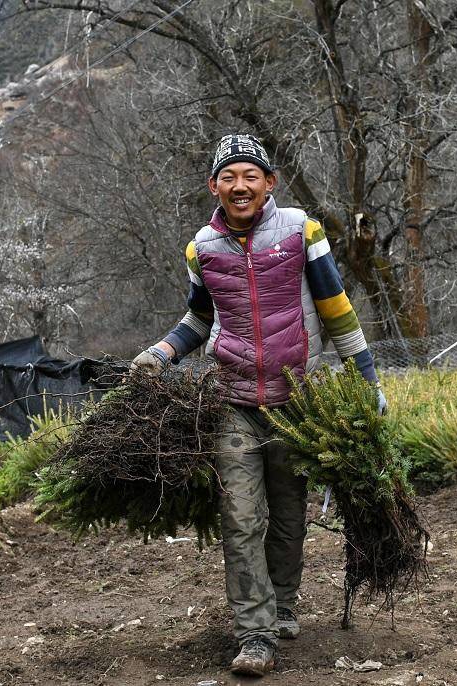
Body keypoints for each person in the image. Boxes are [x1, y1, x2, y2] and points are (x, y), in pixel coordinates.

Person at [132, 134, 387, 677]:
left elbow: (336, 309)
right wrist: (162, 353)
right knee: (240, 517)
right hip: (235, 401)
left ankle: (285, 603)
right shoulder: (203, 248)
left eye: (251, 175)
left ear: (269, 183)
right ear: (214, 187)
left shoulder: (301, 232)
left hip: (298, 403)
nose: (240, 186)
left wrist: (365, 377)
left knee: (288, 513)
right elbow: (199, 322)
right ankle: (256, 634)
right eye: (229, 177)